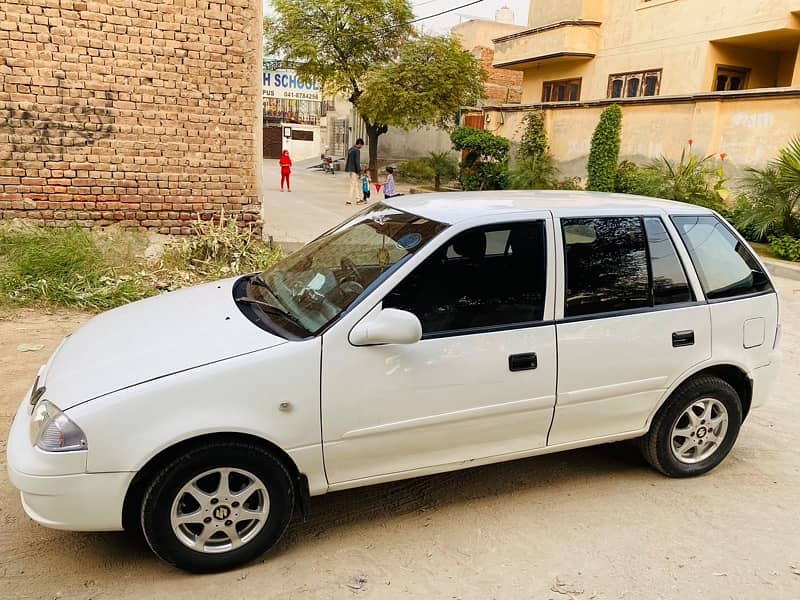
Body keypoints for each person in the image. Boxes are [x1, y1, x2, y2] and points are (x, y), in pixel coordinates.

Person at [344, 138, 364, 204]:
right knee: (353, 185)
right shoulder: (357, 150)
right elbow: (357, 162)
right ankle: (349, 200)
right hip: (354, 170)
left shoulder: (351, 149)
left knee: (355, 184)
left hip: (350, 169)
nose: (361, 147)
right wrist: (359, 172)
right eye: (361, 145)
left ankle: (358, 199)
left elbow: (348, 160)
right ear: (359, 144)